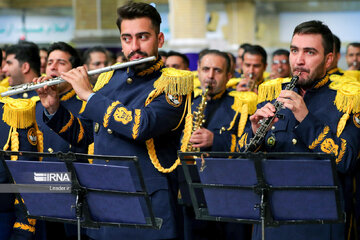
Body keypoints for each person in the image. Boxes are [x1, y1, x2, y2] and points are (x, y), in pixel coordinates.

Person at [36, 2, 193, 239]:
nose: (135, 46)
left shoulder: (173, 84)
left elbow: (141, 125)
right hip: (105, 203)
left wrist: (89, 95)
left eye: (143, 37)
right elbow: (86, 135)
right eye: (127, 38)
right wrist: (53, 108)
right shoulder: (109, 79)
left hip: (149, 207)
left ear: (159, 39)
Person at [237, 20, 360, 240]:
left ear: (328, 59)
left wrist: (305, 118)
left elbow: (346, 160)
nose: (299, 60)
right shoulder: (272, 93)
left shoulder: (348, 99)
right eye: (294, 50)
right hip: (272, 222)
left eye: (310, 52)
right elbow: (242, 160)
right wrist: (255, 133)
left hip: (319, 224)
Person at [181, 49, 254, 240]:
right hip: (193, 194)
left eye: (217, 71)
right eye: (206, 69)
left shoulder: (243, 105)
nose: (210, 76)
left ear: (229, 75)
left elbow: (250, 146)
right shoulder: (188, 105)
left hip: (231, 196)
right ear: (198, 71)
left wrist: (216, 140)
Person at [0, 41, 42, 240]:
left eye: (8, 63)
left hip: (10, 212)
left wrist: (23, 226)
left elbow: (26, 171)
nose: (4, 69)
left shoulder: (19, 107)